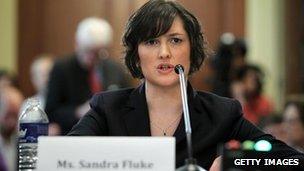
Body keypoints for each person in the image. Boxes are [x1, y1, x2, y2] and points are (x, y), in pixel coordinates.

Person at [68, 0, 304, 169]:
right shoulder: (108, 108)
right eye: (151, 41)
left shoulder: (221, 112)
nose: (164, 53)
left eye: (175, 40)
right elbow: (62, 158)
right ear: (136, 56)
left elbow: (291, 160)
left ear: (192, 51)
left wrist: (235, 160)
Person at [45, 17, 131, 135]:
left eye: (97, 53)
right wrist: (77, 112)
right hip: (74, 134)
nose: (91, 57)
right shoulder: (62, 68)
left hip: (110, 136)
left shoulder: (115, 69)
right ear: (77, 44)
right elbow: (50, 111)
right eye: (87, 51)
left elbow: (128, 104)